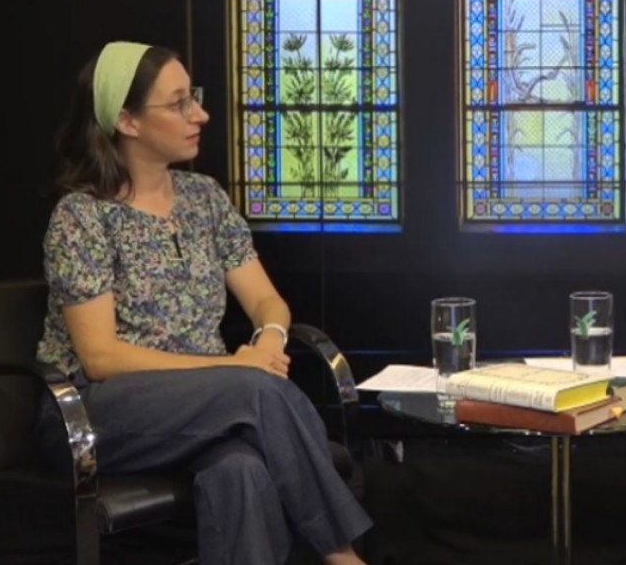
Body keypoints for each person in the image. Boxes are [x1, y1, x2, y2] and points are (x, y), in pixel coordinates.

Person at [34, 41, 372, 565]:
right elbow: (101, 358)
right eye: (178, 104)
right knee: (255, 391)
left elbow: (266, 299)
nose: (201, 115)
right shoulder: (81, 218)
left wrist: (269, 340)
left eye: (194, 97)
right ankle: (344, 557)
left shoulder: (204, 198)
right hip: (91, 413)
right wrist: (235, 367)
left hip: (210, 406)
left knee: (241, 470)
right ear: (127, 121)